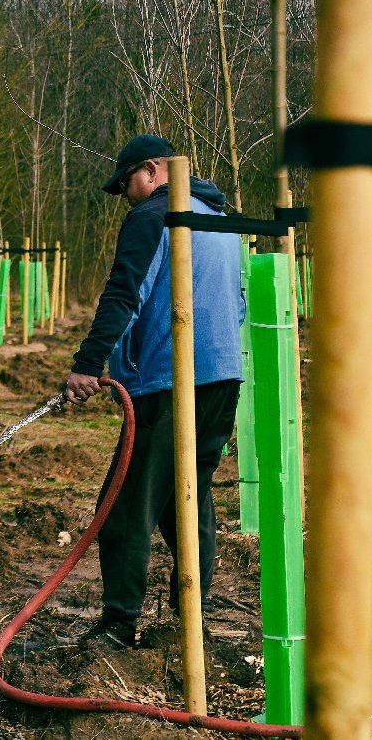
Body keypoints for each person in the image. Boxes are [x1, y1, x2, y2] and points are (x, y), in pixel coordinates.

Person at [64, 133, 246, 652]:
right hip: (222, 377)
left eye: (127, 184)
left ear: (151, 170)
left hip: (169, 381)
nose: (127, 196)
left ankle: (119, 625)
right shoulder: (222, 220)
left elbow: (124, 292)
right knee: (187, 498)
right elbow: (236, 304)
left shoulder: (154, 217)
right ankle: (192, 616)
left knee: (125, 504)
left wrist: (86, 363)